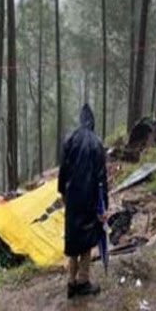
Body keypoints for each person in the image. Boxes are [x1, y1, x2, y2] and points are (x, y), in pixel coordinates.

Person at [59, 104, 107, 299]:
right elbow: (101, 178)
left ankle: (71, 282)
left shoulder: (70, 140)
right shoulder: (96, 143)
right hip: (89, 199)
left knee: (73, 240)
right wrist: (103, 206)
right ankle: (83, 281)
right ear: (92, 121)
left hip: (72, 199)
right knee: (86, 242)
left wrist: (62, 192)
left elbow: (63, 170)